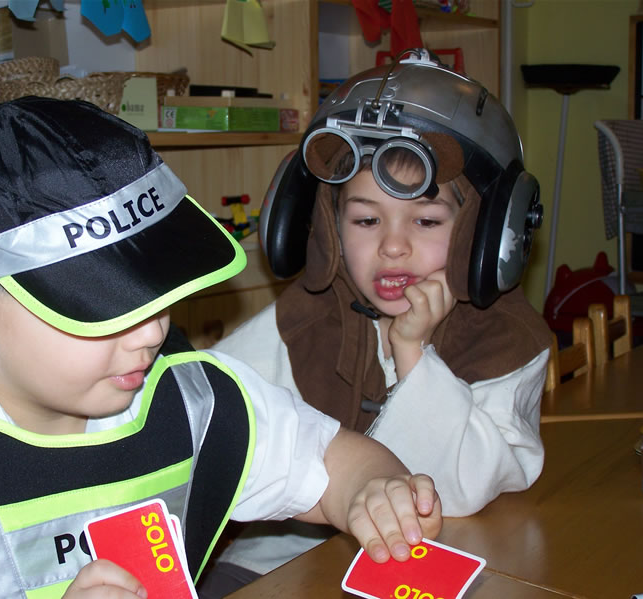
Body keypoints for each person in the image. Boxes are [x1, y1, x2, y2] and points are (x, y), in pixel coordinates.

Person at [0, 97, 442, 599]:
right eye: (102, 307)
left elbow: (339, 464)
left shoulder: (195, 398)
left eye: (158, 292)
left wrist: (373, 491)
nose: (152, 333)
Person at [197, 49, 551, 596]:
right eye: (365, 219)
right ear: (327, 227)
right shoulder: (301, 321)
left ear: (485, 234)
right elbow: (197, 405)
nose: (392, 246)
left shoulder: (506, 337)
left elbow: (461, 491)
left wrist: (413, 354)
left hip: (426, 567)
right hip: (276, 566)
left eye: (426, 221)